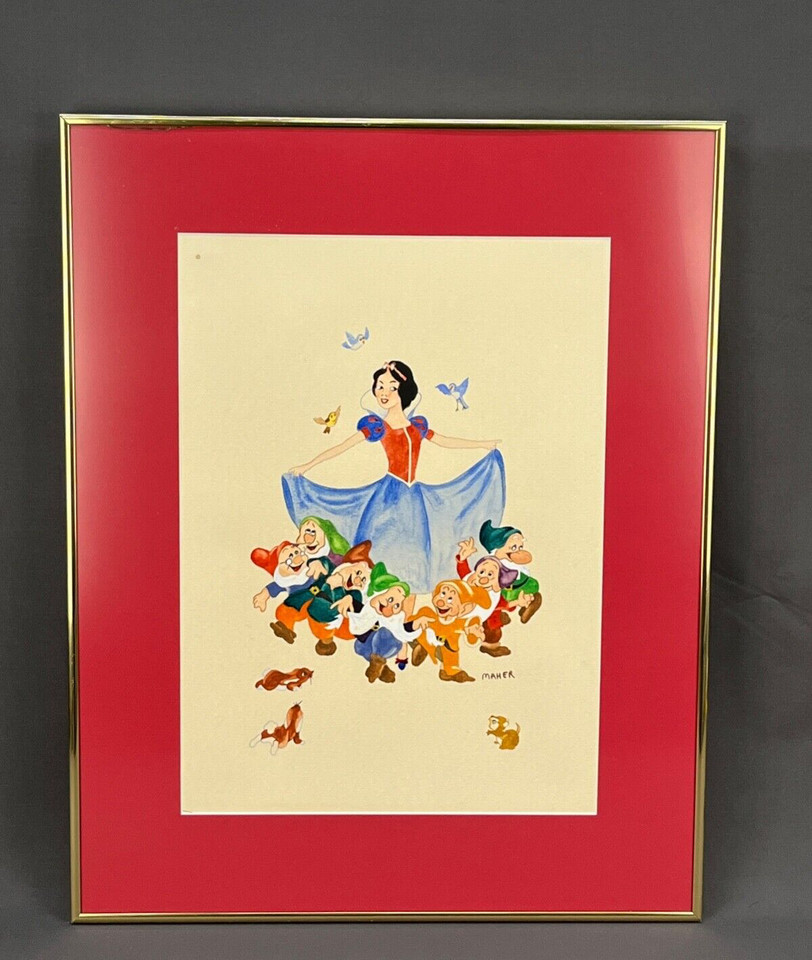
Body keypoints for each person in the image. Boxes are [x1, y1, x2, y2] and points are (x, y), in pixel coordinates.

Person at [283, 360, 505, 593]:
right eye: (380, 386)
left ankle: (406, 598)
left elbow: (445, 441)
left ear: (403, 391)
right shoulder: (377, 426)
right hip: (388, 497)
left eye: (392, 387)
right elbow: (342, 447)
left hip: (414, 497)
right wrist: (308, 466)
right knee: (380, 547)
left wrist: (483, 444)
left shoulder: (417, 426)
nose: (384, 392)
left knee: (417, 547)